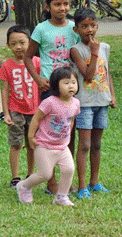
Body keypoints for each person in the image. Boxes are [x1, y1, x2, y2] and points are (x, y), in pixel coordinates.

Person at [24, 0, 79, 193]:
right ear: (48, 6)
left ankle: (67, 178)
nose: (62, 8)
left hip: (71, 87)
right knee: (49, 132)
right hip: (50, 88)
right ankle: (50, 181)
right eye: (57, 4)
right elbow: (28, 57)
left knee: (68, 131)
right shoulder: (41, 28)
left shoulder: (74, 28)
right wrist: (38, 79)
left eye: (66, 4)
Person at [69, 8, 116, 199]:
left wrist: (112, 95)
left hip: (101, 101)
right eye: (84, 26)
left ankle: (94, 182)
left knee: (97, 144)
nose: (89, 30)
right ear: (76, 30)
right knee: (85, 145)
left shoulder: (104, 47)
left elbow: (106, 72)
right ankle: (82, 186)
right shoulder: (76, 50)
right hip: (85, 103)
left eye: (93, 25)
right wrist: (94, 53)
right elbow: (88, 76)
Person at [15, 66, 80, 206]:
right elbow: (36, 119)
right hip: (44, 145)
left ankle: (61, 196)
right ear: (56, 85)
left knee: (69, 169)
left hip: (62, 146)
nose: (71, 86)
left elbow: (71, 119)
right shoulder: (49, 102)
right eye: (66, 83)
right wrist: (31, 137)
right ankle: (24, 186)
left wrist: (67, 136)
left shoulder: (75, 103)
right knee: (45, 174)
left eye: (74, 82)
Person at [0, 26, 40, 189]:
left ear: (30, 43)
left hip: (35, 111)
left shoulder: (37, 62)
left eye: (22, 43)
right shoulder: (7, 65)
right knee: (15, 144)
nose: (18, 47)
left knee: (32, 143)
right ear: (8, 45)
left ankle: (31, 174)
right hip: (16, 110)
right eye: (13, 43)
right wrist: (5, 113)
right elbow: (5, 89)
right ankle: (15, 177)